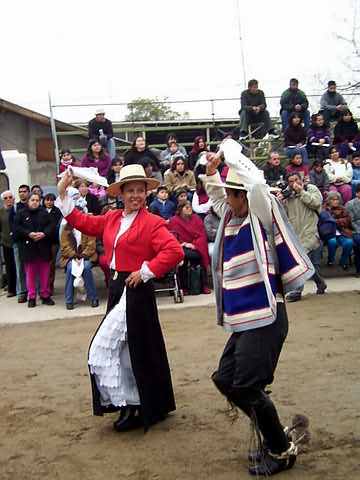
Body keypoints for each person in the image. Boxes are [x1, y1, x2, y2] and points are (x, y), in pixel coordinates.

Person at [202, 139, 314, 476]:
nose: (230, 200)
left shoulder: (259, 216)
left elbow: (258, 187)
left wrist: (235, 158)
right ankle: (276, 434)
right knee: (225, 379)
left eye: (233, 194)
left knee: (245, 386)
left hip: (267, 317)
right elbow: (218, 199)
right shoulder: (230, 219)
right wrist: (212, 175)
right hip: (247, 321)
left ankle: (280, 450)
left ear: (243, 196)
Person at [56, 164, 184, 432]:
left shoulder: (152, 222)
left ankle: (132, 403)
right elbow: (83, 222)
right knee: (126, 351)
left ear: (146, 193)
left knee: (102, 349)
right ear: (121, 193)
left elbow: (174, 251)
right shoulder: (112, 218)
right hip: (117, 289)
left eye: (141, 190)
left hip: (135, 291)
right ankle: (133, 403)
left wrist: (146, 271)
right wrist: (63, 194)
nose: (136, 195)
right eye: (131, 190)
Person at [277, 171, 327, 302]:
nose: (294, 184)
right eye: (291, 181)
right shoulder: (287, 195)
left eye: (296, 180)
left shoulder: (311, 189)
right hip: (295, 234)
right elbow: (283, 217)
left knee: (301, 262)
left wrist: (301, 192)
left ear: (302, 179)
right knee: (310, 264)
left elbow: (316, 203)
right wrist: (279, 203)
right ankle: (320, 283)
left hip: (311, 232)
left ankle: (297, 291)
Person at [14, 192, 56, 307]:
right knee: (30, 274)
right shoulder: (21, 214)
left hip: (43, 247)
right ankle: (31, 297)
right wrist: (28, 234)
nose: (35, 202)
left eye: (37, 200)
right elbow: (17, 229)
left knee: (45, 274)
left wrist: (44, 233)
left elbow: (52, 226)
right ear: (28, 201)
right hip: (28, 248)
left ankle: (45, 296)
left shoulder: (45, 213)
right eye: (32, 200)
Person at [59, 201, 99, 310]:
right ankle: (69, 299)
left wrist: (83, 256)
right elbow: (65, 246)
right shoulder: (65, 229)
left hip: (86, 256)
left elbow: (91, 245)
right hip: (71, 257)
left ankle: (93, 297)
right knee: (70, 269)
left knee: (86, 268)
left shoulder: (88, 227)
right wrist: (74, 256)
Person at [168, 201, 211, 295]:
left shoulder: (197, 219)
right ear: (180, 209)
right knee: (182, 256)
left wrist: (195, 244)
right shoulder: (174, 221)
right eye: (186, 207)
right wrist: (185, 244)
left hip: (196, 246)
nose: (189, 209)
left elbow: (202, 235)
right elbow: (173, 237)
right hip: (181, 246)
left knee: (201, 255)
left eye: (190, 207)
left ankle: (204, 284)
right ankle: (184, 286)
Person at [324, 191, 353, 269]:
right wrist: (337, 221)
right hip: (329, 233)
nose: (336, 201)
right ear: (329, 200)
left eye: (337, 199)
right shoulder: (324, 209)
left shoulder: (343, 209)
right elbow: (325, 221)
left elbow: (348, 220)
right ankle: (330, 260)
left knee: (349, 242)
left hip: (342, 232)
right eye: (333, 199)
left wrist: (335, 221)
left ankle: (343, 261)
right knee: (332, 242)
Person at [43, 193, 62, 294]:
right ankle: (43, 285)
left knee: (51, 263)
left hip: (53, 241)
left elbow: (55, 226)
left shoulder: (57, 212)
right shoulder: (41, 211)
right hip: (43, 241)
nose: (49, 202)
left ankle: (50, 284)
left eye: (51, 200)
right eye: (47, 200)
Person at [0, 191, 17, 297]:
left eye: (10, 197)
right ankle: (11, 289)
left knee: (19, 267)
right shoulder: (1, 212)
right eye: (6, 198)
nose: (8, 200)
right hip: (6, 243)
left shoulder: (17, 211)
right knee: (9, 266)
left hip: (17, 243)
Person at [346, 184, 360, 277]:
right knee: (359, 241)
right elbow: (351, 221)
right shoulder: (350, 204)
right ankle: (359, 269)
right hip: (356, 229)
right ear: (357, 193)